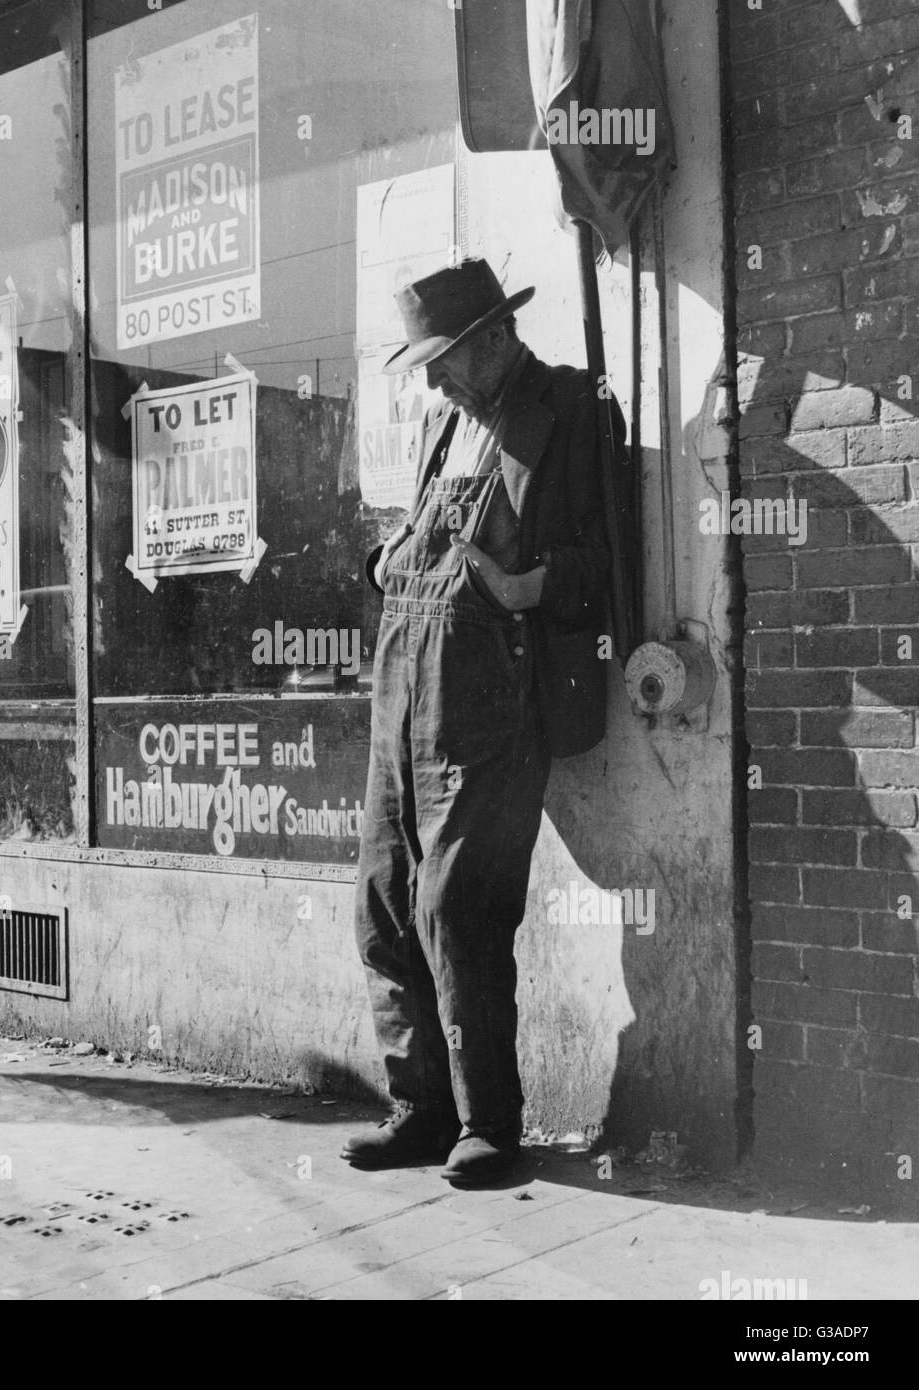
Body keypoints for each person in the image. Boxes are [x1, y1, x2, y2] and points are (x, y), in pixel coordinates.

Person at [342, 257, 626, 1187]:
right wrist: (388, 556)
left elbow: (606, 564)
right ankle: (420, 1110)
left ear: (498, 337)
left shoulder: (572, 410)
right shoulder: (441, 422)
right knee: (384, 906)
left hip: (496, 700)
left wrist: (523, 586)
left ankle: (490, 1125)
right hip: (403, 689)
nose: (430, 378)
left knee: (456, 907)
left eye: (446, 358)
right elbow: (424, 534)